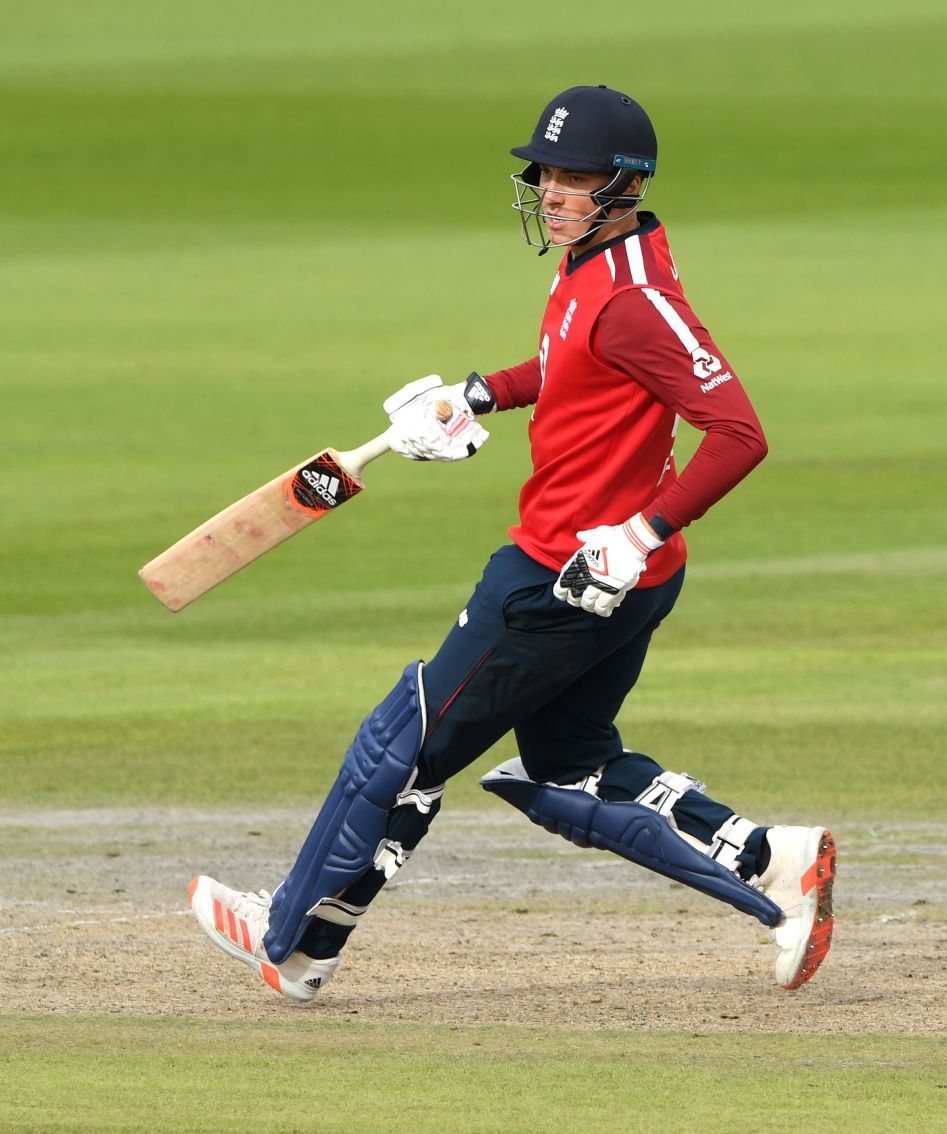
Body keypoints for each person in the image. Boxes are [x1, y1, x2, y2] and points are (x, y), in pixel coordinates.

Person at [189, 84, 835, 1001]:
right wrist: (479, 393)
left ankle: (291, 938)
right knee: (569, 766)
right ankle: (776, 861)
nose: (552, 191)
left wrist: (639, 530)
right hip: (613, 575)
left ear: (624, 184)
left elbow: (739, 434)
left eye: (575, 177)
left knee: (403, 744)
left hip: (563, 577)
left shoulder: (636, 297)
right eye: (546, 173)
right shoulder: (590, 270)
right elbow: (573, 367)